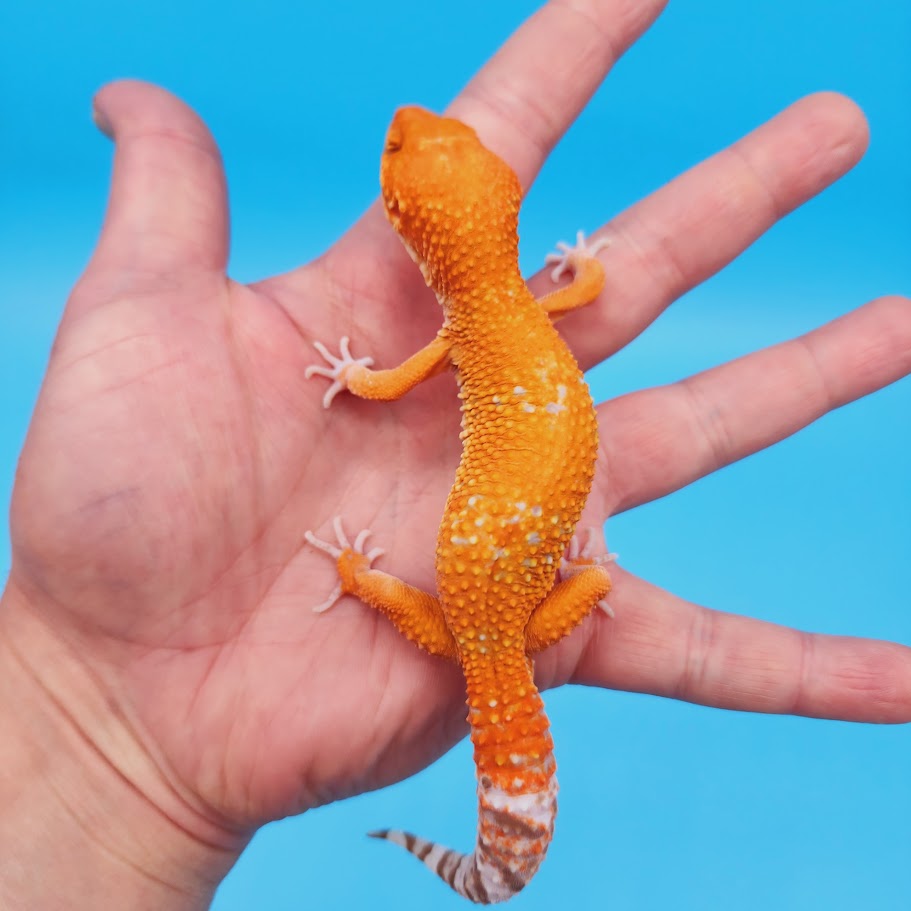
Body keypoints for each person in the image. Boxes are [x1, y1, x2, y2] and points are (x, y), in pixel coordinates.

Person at [1, 2, 909, 907]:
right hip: (497, 581)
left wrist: (361, 413)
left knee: (511, 612)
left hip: (516, 587)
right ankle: (487, 857)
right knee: (482, 624)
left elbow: (386, 385)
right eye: (408, 149)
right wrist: (580, 265)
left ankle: (487, 862)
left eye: (411, 154)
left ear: (408, 220)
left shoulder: (465, 331)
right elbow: (582, 286)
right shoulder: (511, 309)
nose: (408, 129)